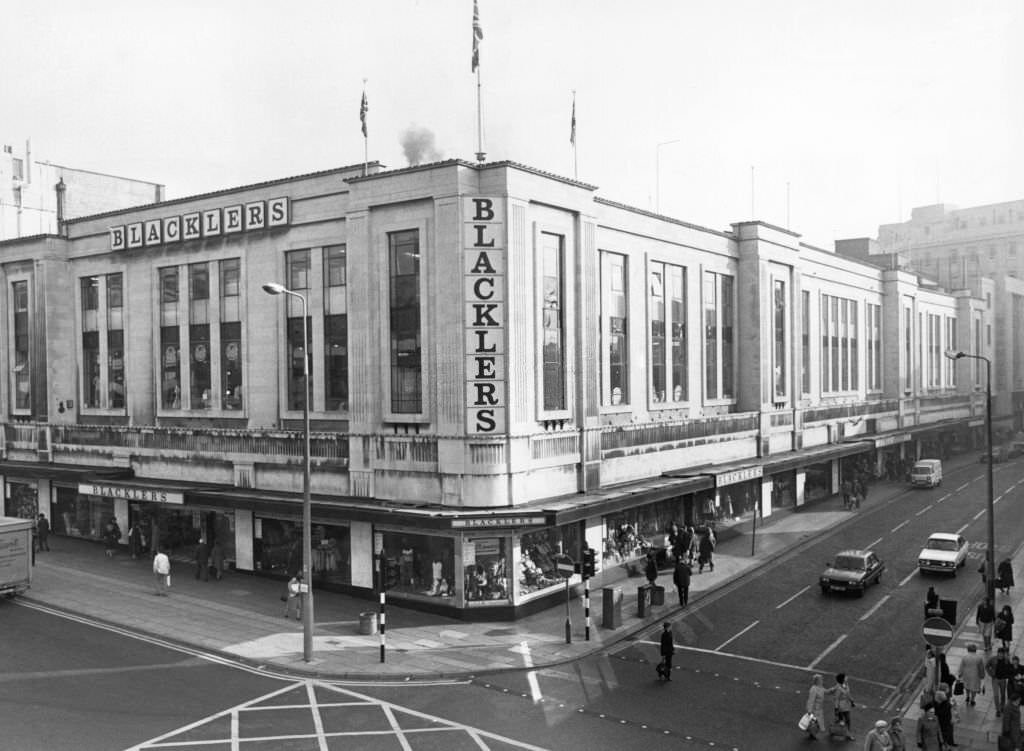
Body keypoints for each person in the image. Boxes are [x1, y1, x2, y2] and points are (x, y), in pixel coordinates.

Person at [805, 673, 833, 739]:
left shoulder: (820, 687)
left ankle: (812, 733)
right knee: (816, 722)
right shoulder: (813, 689)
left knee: (816, 723)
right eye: (821, 679)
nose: (822, 680)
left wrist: (833, 689)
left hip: (819, 709)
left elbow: (826, 691)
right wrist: (809, 710)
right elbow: (811, 700)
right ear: (817, 681)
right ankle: (812, 734)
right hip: (814, 709)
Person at [988, 646, 1014, 714]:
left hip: (1003, 680)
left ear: (1003, 654)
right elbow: (987, 666)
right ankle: (998, 709)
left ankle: (1002, 706)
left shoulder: (1006, 660)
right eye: (999, 653)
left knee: (1003, 694)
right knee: (996, 695)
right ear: (997, 653)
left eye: (1002, 653)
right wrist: (990, 673)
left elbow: (1010, 668)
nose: (1000, 654)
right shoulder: (993, 659)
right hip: (995, 679)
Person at [833, 673, 855, 740]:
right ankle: (848, 734)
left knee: (846, 720)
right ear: (843, 679)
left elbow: (848, 694)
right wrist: (836, 708)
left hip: (846, 706)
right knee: (846, 720)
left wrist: (851, 701)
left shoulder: (846, 685)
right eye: (845, 677)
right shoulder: (838, 688)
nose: (847, 677)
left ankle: (846, 732)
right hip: (841, 707)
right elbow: (836, 699)